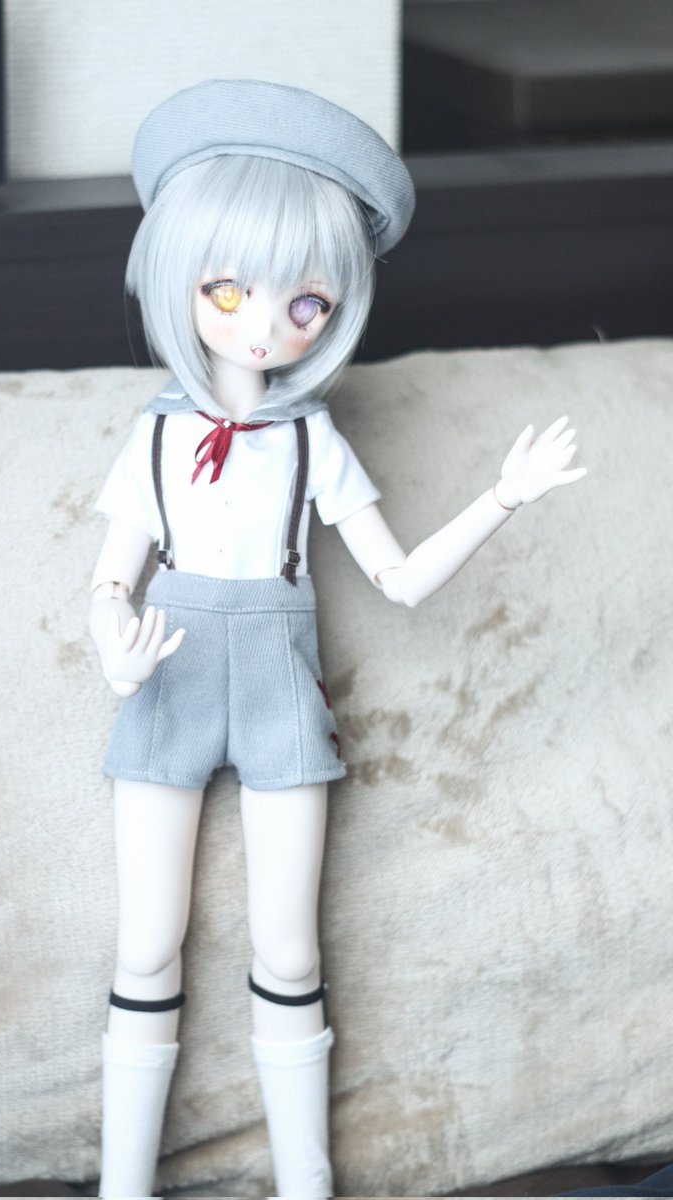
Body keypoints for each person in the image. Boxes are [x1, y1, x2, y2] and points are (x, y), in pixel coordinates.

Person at [88, 79, 586, 1199]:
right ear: (180, 275)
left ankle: (305, 1183)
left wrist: (501, 498)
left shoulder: (311, 440)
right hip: (164, 674)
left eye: (304, 302)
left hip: (278, 681)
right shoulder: (156, 437)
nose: (264, 326)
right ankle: (124, 1186)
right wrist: (114, 643)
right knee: (144, 946)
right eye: (228, 289)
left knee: (290, 949)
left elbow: (399, 580)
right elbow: (110, 579)